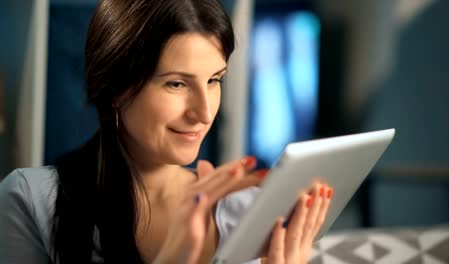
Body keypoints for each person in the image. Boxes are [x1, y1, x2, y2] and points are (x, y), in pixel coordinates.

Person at [0, 0, 333, 263]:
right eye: (176, 83)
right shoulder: (31, 201)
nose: (204, 113)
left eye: (214, 80)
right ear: (117, 87)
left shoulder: (249, 211)